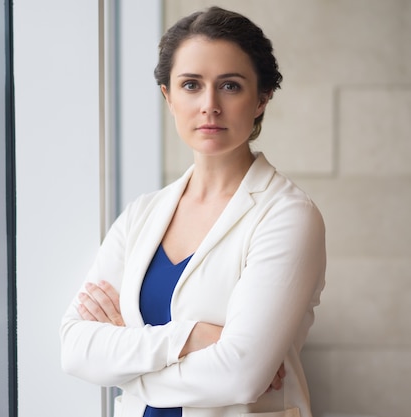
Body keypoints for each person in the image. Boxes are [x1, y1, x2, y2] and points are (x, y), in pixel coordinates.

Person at [60, 6, 326, 417]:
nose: (209, 105)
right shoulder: (141, 215)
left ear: (261, 98)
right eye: (190, 85)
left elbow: (240, 376)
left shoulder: (288, 216)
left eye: (231, 86)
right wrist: (193, 337)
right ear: (168, 96)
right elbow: (75, 348)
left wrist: (126, 364)